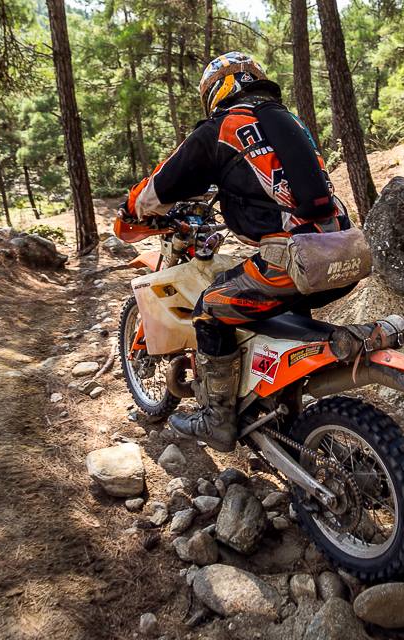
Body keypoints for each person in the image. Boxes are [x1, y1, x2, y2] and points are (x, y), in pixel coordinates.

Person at [121, 52, 364, 453]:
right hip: (345, 252)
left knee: (210, 309)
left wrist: (132, 210)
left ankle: (217, 420)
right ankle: (283, 404)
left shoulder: (222, 128)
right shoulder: (290, 123)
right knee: (279, 308)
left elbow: (160, 187)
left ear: (217, 89)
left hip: (292, 260)